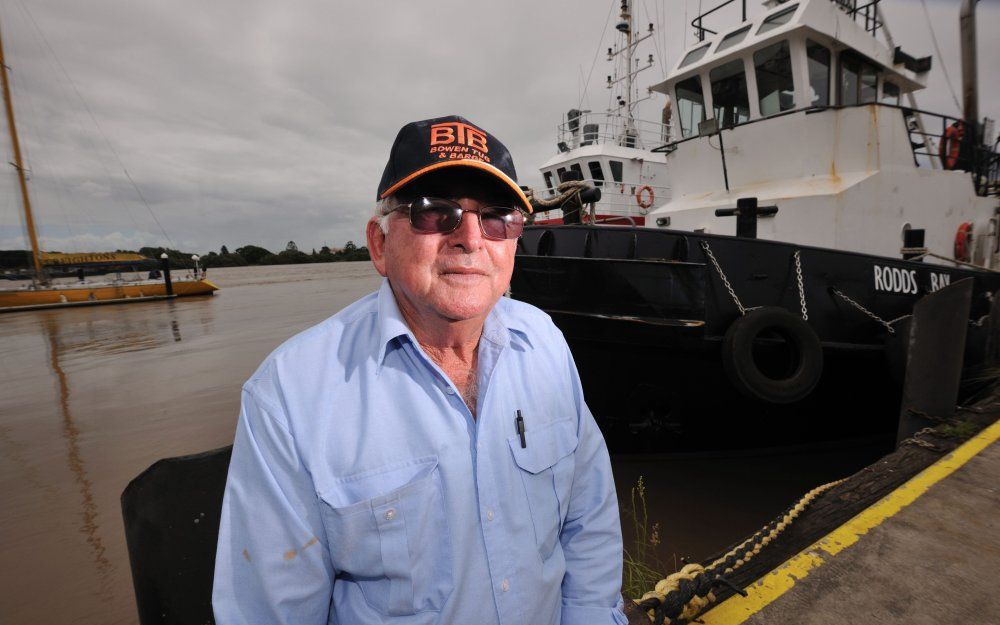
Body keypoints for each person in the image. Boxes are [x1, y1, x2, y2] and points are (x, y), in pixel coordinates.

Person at [212, 115, 627, 625]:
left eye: (497, 216)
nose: (471, 239)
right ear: (380, 244)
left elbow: (589, 517)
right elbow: (268, 611)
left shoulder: (545, 344)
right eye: (436, 213)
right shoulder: (290, 396)